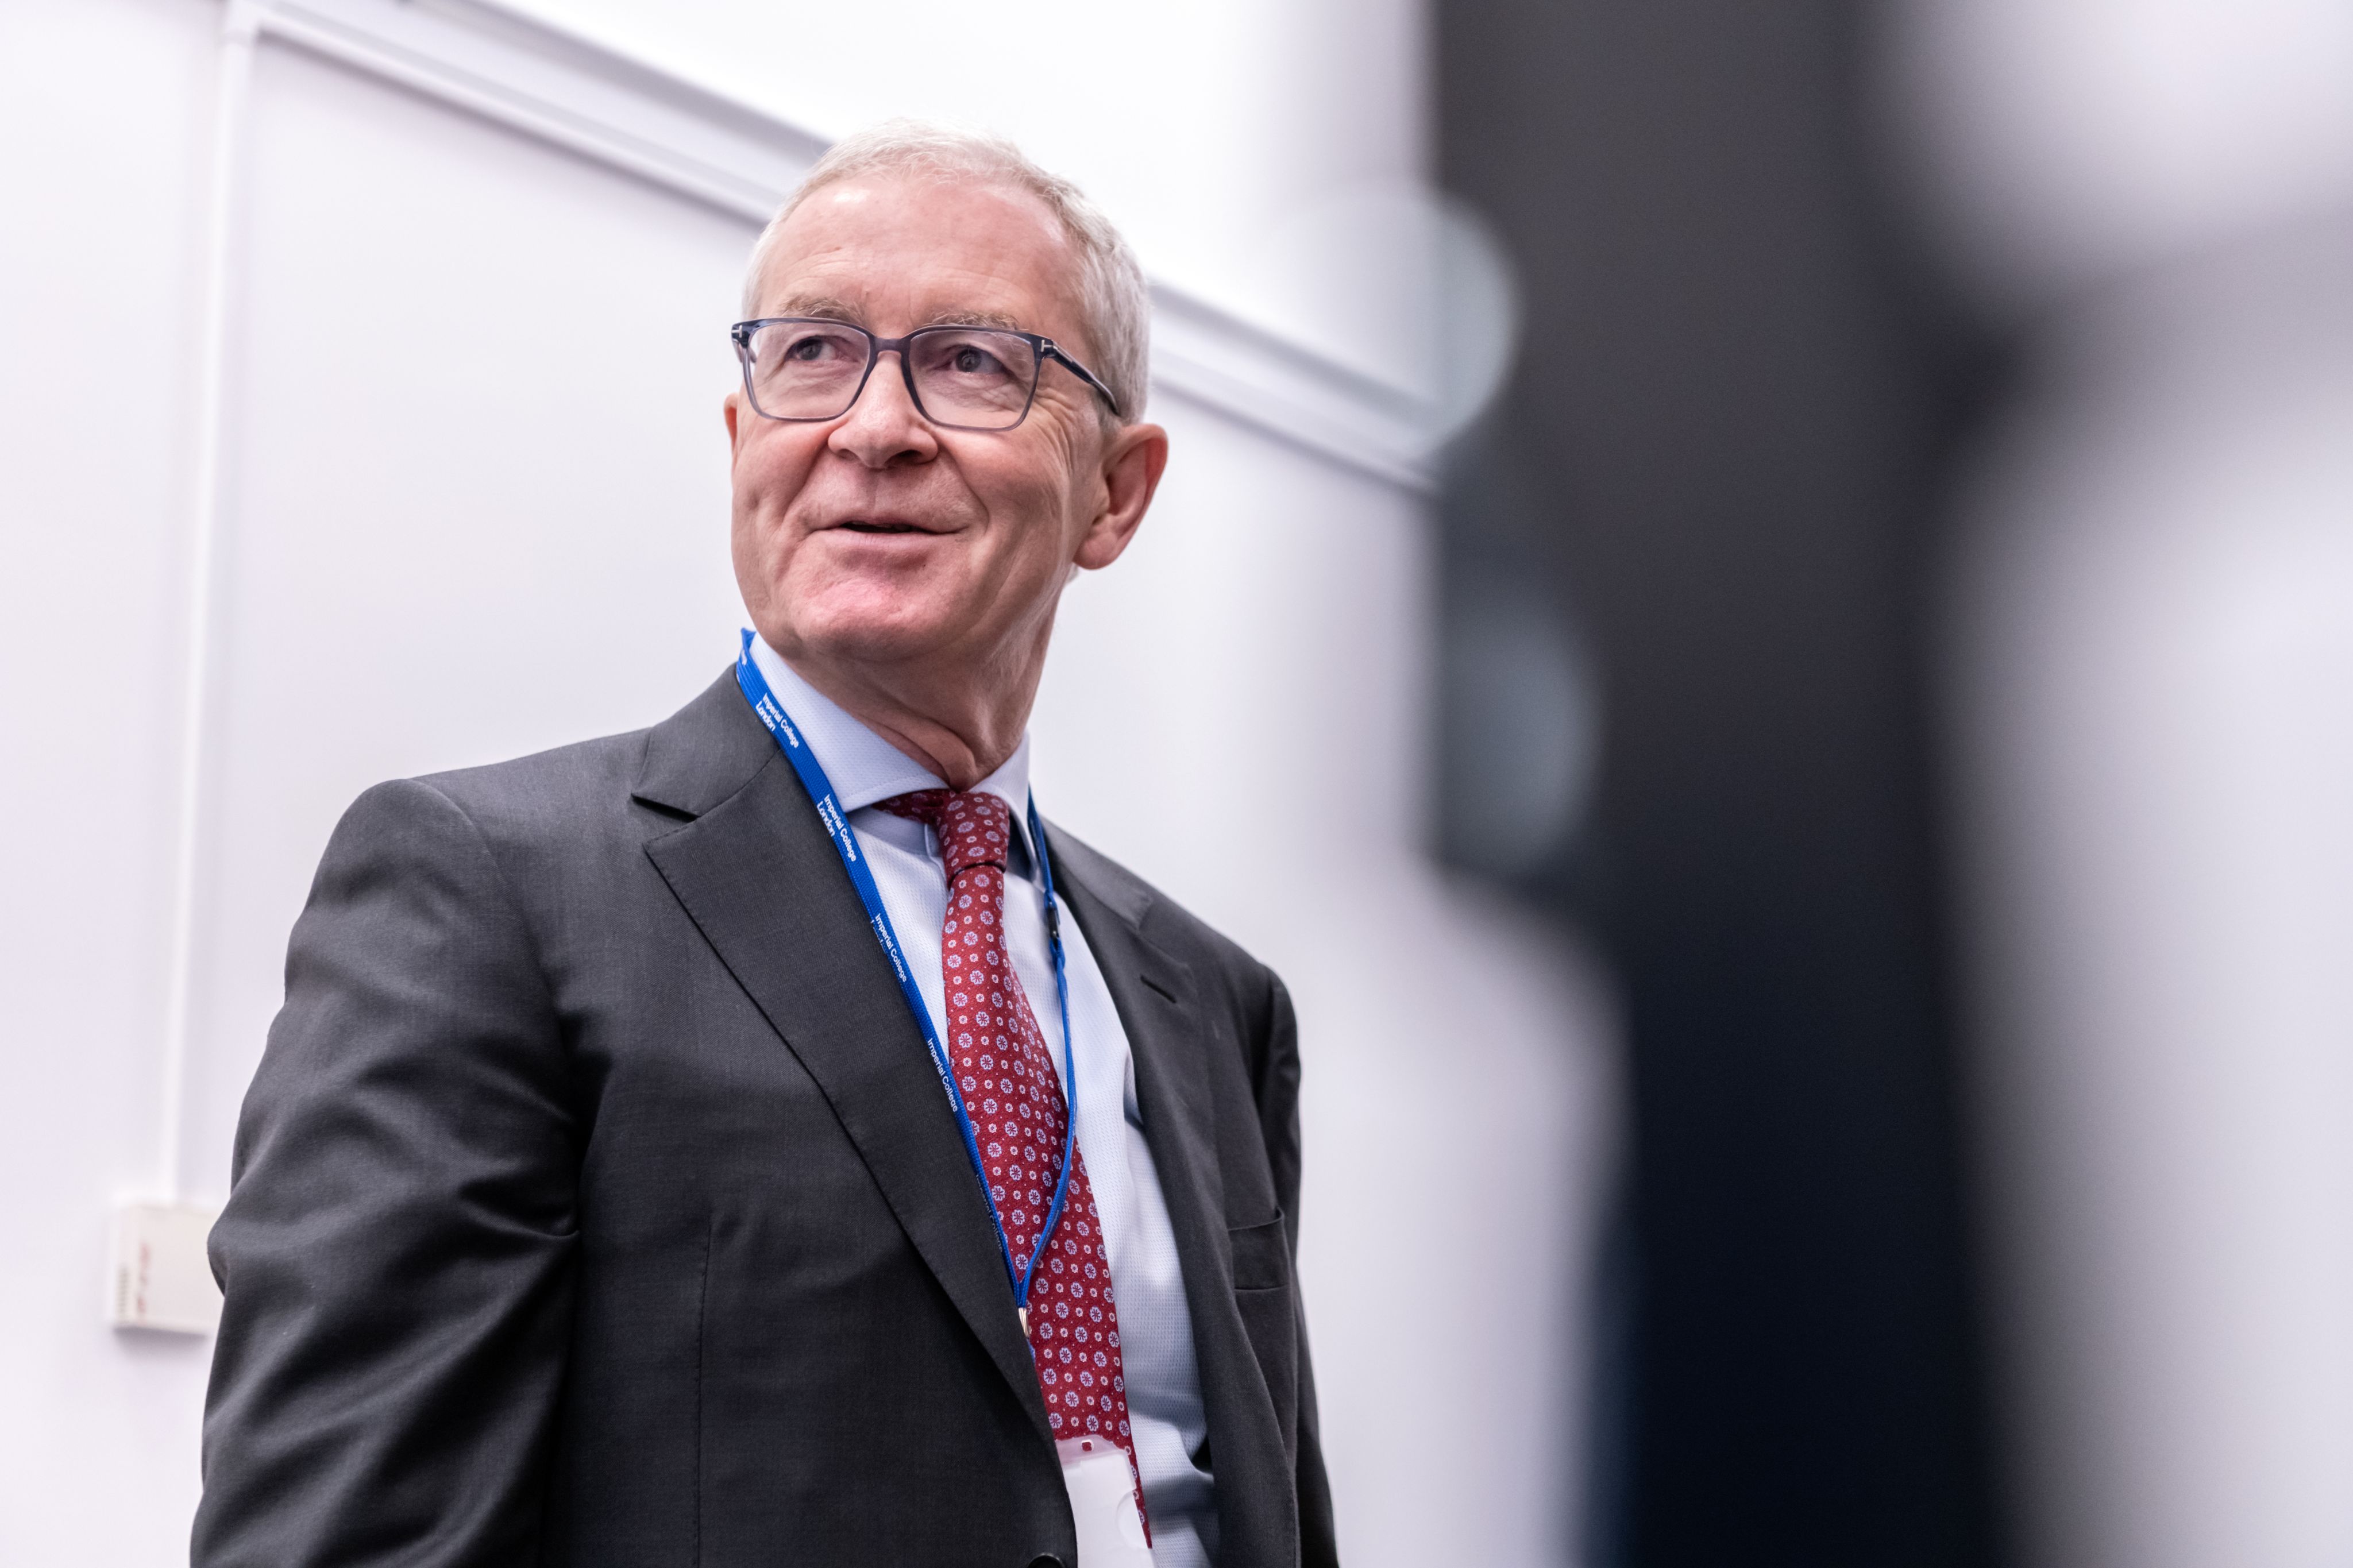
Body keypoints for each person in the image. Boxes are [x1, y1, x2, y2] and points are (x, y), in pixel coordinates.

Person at [191, 123, 1337, 1568]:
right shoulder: (487, 894)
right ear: (743, 445)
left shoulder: (1212, 1000)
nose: (874, 427)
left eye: (971, 362)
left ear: (1115, 492)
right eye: (812, 354)